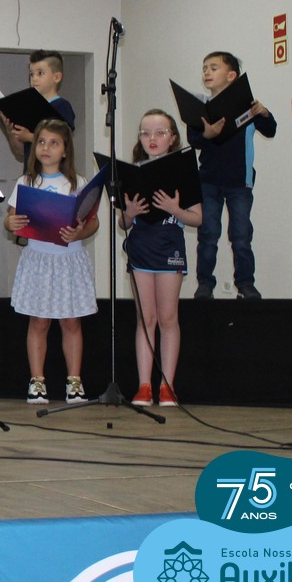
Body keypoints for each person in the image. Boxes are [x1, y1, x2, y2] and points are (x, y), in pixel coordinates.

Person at [3, 118, 99, 405]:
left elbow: (92, 222)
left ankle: (74, 382)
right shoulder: (26, 182)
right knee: (39, 320)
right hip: (39, 260)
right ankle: (37, 381)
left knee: (71, 321)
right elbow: (10, 219)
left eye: (54, 143)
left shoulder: (78, 183)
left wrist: (79, 232)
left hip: (69, 260)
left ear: (65, 150)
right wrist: (11, 223)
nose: (46, 148)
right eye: (42, 142)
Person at [118, 110, 202, 407]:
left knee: (167, 318)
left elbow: (197, 218)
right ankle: (144, 386)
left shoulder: (184, 170)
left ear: (173, 138)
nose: (152, 138)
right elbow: (123, 223)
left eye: (160, 133)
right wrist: (129, 213)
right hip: (141, 249)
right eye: (145, 133)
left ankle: (167, 385)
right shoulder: (132, 172)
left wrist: (175, 210)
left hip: (169, 249)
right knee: (146, 318)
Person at [187, 51, 276, 300]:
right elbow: (194, 140)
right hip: (208, 181)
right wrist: (207, 134)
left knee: (241, 235)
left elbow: (270, 130)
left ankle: (245, 284)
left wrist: (264, 113)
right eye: (204, 68)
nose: (207, 72)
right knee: (208, 234)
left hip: (240, 182)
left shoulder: (248, 106)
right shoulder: (201, 108)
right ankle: (205, 284)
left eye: (214, 68)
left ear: (231, 75)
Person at [0, 50, 77, 165]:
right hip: (31, 173)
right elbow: (21, 152)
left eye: (40, 73)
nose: (34, 79)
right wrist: (11, 132)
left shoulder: (62, 106)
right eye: (31, 74)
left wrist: (29, 136)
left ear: (57, 77)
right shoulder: (29, 109)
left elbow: (63, 143)